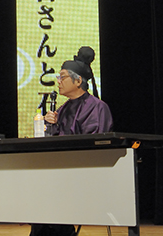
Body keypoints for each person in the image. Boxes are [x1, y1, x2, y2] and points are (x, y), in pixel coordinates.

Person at [30, 47, 113, 236]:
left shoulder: (97, 108)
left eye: (62, 77)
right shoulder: (63, 109)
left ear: (78, 81)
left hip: (83, 172)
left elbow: (94, 145)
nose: (58, 81)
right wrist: (50, 126)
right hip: (61, 170)